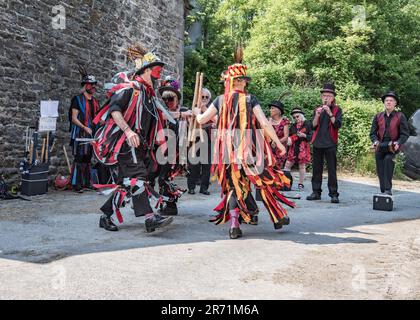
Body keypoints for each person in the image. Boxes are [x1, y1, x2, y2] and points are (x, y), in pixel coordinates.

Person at [193, 49, 295, 239]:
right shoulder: (250, 99)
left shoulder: (220, 100)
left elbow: (201, 120)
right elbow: (264, 123)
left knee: (234, 186)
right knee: (264, 180)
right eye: (242, 80)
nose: (244, 83)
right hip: (249, 150)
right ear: (237, 81)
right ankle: (277, 216)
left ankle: (234, 225)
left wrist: (196, 113)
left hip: (227, 151)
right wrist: (279, 145)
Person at [93, 48, 174, 232]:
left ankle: (106, 216)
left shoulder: (149, 95)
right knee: (138, 178)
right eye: (156, 70)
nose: (159, 75)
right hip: (124, 144)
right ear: (145, 71)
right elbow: (114, 110)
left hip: (139, 146)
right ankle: (149, 217)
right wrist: (129, 132)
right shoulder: (130, 89)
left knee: (126, 184)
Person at [154, 77, 191, 215]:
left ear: (177, 97)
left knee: (165, 178)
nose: (167, 101)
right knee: (159, 177)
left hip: (174, 152)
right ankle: (166, 204)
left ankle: (170, 206)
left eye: (170, 98)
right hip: (160, 150)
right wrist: (181, 114)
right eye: (165, 99)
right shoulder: (162, 111)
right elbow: (164, 116)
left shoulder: (185, 110)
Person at [307, 83, 343, 203]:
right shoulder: (317, 109)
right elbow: (312, 126)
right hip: (318, 142)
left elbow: (337, 124)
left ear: (333, 97)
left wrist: (329, 113)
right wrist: (317, 115)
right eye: (324, 95)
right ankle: (316, 192)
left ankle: (333, 194)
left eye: (328, 95)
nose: (326, 98)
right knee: (316, 169)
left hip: (330, 142)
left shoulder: (337, 109)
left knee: (331, 169)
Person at [370, 91, 409, 195]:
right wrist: (375, 141)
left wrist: (398, 142)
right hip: (380, 145)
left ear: (395, 103)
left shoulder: (400, 116)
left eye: (391, 100)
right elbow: (372, 133)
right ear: (384, 102)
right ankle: (384, 188)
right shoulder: (378, 116)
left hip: (393, 146)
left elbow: (405, 134)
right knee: (380, 168)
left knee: (388, 161)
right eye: (386, 100)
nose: (388, 102)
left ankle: (388, 189)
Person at [69, 66, 100, 193]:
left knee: (88, 158)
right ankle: (77, 184)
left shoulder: (96, 102)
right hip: (80, 133)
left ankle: (87, 183)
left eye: (94, 84)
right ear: (85, 86)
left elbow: (97, 118)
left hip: (91, 134)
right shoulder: (77, 99)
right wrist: (84, 127)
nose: (93, 86)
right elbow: (73, 118)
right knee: (79, 158)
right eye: (90, 84)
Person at [187, 87, 215, 195]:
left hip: (208, 139)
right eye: (202, 96)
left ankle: (204, 188)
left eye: (206, 97)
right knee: (193, 164)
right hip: (195, 138)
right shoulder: (194, 108)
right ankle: (191, 187)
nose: (204, 98)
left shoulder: (211, 110)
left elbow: (215, 121)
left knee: (206, 165)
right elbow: (190, 124)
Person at [283, 107, 312, 191]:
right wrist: (289, 140)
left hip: (303, 148)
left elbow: (312, 136)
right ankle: (286, 183)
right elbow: (289, 136)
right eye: (294, 117)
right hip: (293, 148)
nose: (296, 118)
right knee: (287, 165)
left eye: (297, 116)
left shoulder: (307, 124)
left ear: (301, 116)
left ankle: (301, 184)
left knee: (302, 166)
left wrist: (305, 136)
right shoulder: (293, 126)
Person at [268, 101, 289, 169]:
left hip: (280, 147)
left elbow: (286, 137)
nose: (270, 110)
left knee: (277, 167)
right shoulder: (268, 121)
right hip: (269, 146)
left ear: (278, 111)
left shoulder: (284, 121)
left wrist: (277, 142)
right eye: (270, 108)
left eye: (272, 108)